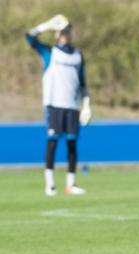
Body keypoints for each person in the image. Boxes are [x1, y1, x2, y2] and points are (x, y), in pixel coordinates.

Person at [26, 14, 91, 196]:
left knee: (72, 144)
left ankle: (71, 184)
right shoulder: (49, 52)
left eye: (67, 32)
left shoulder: (78, 55)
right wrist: (46, 25)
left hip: (72, 106)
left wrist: (86, 104)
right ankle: (50, 184)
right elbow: (29, 37)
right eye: (61, 32)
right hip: (54, 104)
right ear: (56, 34)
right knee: (52, 143)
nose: (65, 35)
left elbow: (83, 82)